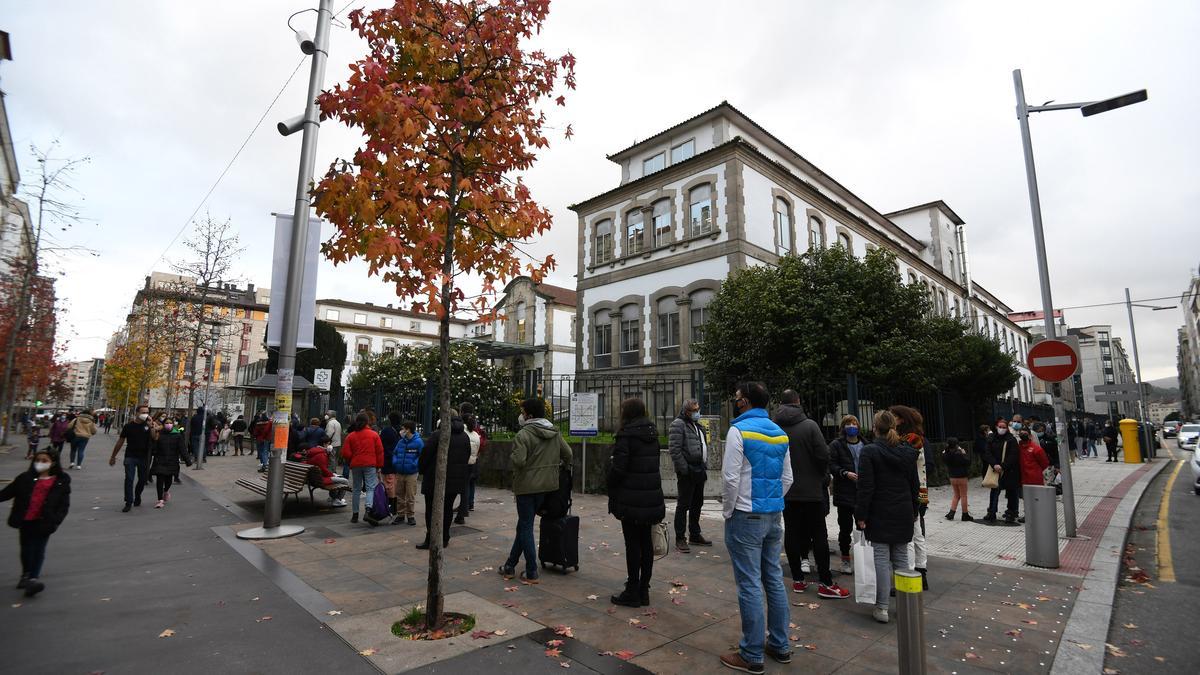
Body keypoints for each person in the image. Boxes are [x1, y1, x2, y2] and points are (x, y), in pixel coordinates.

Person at [720, 382, 793, 672]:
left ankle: (751, 654)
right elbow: (787, 478)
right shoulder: (780, 433)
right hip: (774, 515)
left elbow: (729, 478)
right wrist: (771, 503)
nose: (735, 402)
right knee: (773, 579)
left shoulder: (738, 431)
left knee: (749, 583)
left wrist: (729, 511)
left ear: (745, 402)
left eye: (737, 398)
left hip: (745, 515)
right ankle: (780, 644)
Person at [775, 391, 848, 600]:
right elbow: (823, 455)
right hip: (811, 490)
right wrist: (822, 477)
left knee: (791, 532)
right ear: (798, 402)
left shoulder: (774, 427)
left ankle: (798, 579)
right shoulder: (810, 426)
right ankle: (825, 582)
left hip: (786, 491)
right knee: (818, 535)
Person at [499, 397, 572, 583]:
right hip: (547, 486)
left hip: (526, 487)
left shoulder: (523, 435)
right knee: (523, 525)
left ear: (529, 415)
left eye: (523, 412)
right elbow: (568, 454)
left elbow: (519, 461)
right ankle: (510, 565)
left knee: (525, 527)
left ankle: (531, 570)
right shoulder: (554, 432)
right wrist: (555, 467)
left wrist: (514, 455)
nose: (521, 416)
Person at [855, 410, 919, 624]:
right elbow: (914, 485)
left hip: (879, 511)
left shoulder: (870, 452)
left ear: (875, 428)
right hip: (903, 511)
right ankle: (905, 605)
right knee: (901, 559)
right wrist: (914, 510)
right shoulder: (908, 452)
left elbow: (866, 487)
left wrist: (861, 515)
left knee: (881, 560)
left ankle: (881, 607)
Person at [607, 398, 666, 607]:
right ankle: (644, 589)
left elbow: (619, 469)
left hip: (631, 499)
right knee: (646, 544)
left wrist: (610, 482)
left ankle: (632, 590)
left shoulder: (626, 435)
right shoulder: (652, 434)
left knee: (632, 544)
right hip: (650, 498)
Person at [1, 449, 71, 598]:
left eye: (44, 460)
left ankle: (33, 578)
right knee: (26, 549)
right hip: (26, 520)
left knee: (39, 550)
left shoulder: (60, 481)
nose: (40, 463)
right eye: (38, 460)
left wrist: (55, 519)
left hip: (45, 521)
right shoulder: (24, 478)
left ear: (53, 463)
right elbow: (6, 493)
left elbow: (64, 505)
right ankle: (26, 574)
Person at [417, 410, 472, 550]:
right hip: (455, 480)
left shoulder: (438, 434)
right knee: (447, 509)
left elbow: (425, 455)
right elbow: (467, 456)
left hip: (435, 479)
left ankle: (431, 538)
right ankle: (445, 537)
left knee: (431, 510)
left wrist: (422, 470)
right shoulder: (464, 436)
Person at [889, 405, 929, 589]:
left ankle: (911, 574)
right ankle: (921, 571)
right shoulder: (917, 438)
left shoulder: (909, 439)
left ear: (902, 419)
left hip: (911, 490)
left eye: (894, 417)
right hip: (920, 489)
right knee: (918, 533)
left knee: (909, 536)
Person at [668, 399, 711, 553]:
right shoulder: (678, 424)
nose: (697, 412)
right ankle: (680, 538)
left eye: (698, 409)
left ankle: (695, 533)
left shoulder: (698, 426)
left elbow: (703, 445)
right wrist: (684, 469)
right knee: (683, 504)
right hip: (688, 471)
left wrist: (704, 465)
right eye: (694, 410)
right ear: (686, 411)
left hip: (699, 469)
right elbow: (674, 449)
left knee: (697, 503)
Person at [828, 415, 863, 575]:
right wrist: (844, 473)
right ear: (843, 427)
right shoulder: (836, 445)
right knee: (845, 528)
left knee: (863, 527)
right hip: (844, 492)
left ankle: (863, 559)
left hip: (862, 493)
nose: (851, 426)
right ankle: (845, 559)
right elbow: (831, 465)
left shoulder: (866, 444)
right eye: (848, 423)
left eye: (854, 423)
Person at [109, 405, 160, 512]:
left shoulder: (149, 425)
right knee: (129, 478)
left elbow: (155, 438)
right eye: (142, 412)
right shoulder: (128, 426)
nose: (145, 414)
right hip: (130, 456)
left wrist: (151, 426)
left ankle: (137, 495)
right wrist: (113, 456)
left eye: (147, 412)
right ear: (136, 413)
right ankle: (128, 501)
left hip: (144, 457)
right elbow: (120, 441)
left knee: (142, 479)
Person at [341, 413, 384, 525]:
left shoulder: (351, 436)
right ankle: (368, 510)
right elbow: (379, 452)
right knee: (370, 487)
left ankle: (355, 515)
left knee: (356, 489)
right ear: (367, 422)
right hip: (370, 464)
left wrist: (352, 458)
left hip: (356, 464)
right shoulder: (374, 435)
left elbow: (345, 452)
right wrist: (379, 466)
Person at [982, 418, 1021, 525]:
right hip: (995, 469)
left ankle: (1011, 513)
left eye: (1004, 427)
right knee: (994, 490)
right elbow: (987, 453)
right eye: (1000, 427)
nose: (1002, 429)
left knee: (1011, 492)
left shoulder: (1011, 439)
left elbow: (1013, 455)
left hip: (1009, 470)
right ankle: (991, 512)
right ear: (996, 427)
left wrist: (1003, 466)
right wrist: (994, 464)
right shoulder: (992, 438)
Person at [456, 403, 485, 523]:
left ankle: (465, 507)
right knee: (471, 482)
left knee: (465, 485)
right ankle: (469, 503)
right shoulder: (476, 427)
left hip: (465, 461)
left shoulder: (463, 429)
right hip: (474, 458)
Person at [150, 418, 187, 508]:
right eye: (167, 423)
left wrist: (187, 460)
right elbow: (154, 447)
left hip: (172, 461)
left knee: (168, 480)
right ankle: (160, 500)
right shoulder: (159, 434)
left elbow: (182, 448)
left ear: (173, 425)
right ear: (163, 424)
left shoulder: (177, 435)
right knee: (160, 479)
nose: (169, 424)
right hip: (160, 460)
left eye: (170, 423)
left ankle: (165, 490)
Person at [392, 420, 423, 525]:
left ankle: (410, 515)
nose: (402, 431)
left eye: (403, 428)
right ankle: (400, 515)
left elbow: (421, 456)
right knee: (400, 494)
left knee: (410, 495)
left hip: (412, 473)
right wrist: (395, 462)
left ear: (408, 429)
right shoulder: (401, 442)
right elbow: (395, 453)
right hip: (400, 471)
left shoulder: (418, 442)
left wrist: (414, 464)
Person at [1017, 428, 1050, 523]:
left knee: (1036, 498)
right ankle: (1028, 515)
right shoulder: (1019, 447)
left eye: (1025, 433)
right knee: (1026, 498)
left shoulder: (1036, 449)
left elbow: (1045, 463)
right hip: (1023, 477)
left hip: (1034, 478)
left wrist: (1035, 471)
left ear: (1030, 435)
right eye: (1021, 433)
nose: (1023, 435)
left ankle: (1039, 515)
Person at [306, 438, 350, 507]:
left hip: (312, 478)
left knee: (338, 478)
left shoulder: (314, 451)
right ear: (324, 444)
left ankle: (332, 497)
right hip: (320, 480)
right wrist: (333, 475)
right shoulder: (321, 455)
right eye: (329, 444)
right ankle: (337, 499)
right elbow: (325, 470)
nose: (330, 446)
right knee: (345, 481)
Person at [942, 437, 972, 521]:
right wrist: (964, 453)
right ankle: (965, 514)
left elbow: (945, 456)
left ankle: (951, 513)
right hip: (962, 476)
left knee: (956, 495)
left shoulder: (945, 454)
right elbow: (968, 462)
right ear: (956, 445)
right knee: (963, 496)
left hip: (952, 477)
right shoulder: (959, 454)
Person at [379, 412, 402, 517]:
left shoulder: (386, 431)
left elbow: (381, 446)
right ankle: (395, 507)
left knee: (388, 484)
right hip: (399, 461)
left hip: (387, 461)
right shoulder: (402, 431)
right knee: (394, 484)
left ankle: (391, 507)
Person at [325, 410, 345, 478]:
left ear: (331, 415)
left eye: (327, 414)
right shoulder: (337, 422)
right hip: (337, 443)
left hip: (332, 444)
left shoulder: (330, 423)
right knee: (335, 459)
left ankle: (331, 472)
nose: (326, 415)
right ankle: (334, 470)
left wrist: (326, 440)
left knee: (331, 459)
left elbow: (329, 434)